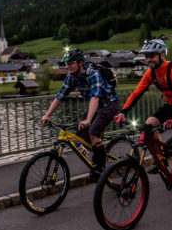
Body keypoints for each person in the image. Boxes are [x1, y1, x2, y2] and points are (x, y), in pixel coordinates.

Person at [113, 38, 172, 197]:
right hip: (171, 105)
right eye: (146, 56)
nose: (148, 59)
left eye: (152, 55)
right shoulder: (151, 73)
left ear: (162, 55)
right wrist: (122, 112)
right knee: (148, 125)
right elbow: (137, 93)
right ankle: (162, 159)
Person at [41, 47, 120, 181]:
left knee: (93, 132)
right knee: (80, 134)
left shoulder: (93, 73)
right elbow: (60, 95)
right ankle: (99, 153)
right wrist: (47, 114)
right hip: (95, 105)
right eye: (67, 64)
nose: (69, 66)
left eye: (71, 63)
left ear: (80, 63)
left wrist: (88, 119)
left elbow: (95, 97)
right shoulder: (71, 77)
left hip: (109, 103)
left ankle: (100, 169)